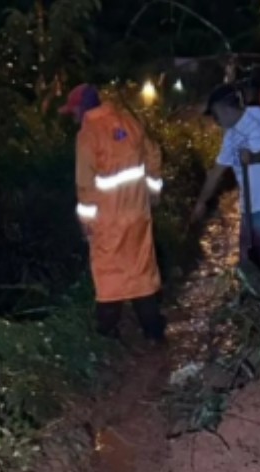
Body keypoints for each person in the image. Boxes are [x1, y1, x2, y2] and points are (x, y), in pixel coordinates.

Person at [63, 83, 168, 343]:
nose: (73, 117)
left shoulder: (88, 134)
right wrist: (152, 191)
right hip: (138, 214)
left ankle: (107, 334)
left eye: (73, 111)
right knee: (141, 272)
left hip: (108, 220)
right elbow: (153, 154)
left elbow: (85, 185)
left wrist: (86, 222)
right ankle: (153, 332)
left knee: (110, 277)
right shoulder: (129, 121)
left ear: (82, 108)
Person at [190, 83, 260, 289]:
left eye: (215, 114)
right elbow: (216, 172)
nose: (215, 120)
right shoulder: (231, 135)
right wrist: (201, 202)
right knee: (251, 261)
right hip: (249, 207)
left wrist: (255, 158)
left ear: (224, 107)